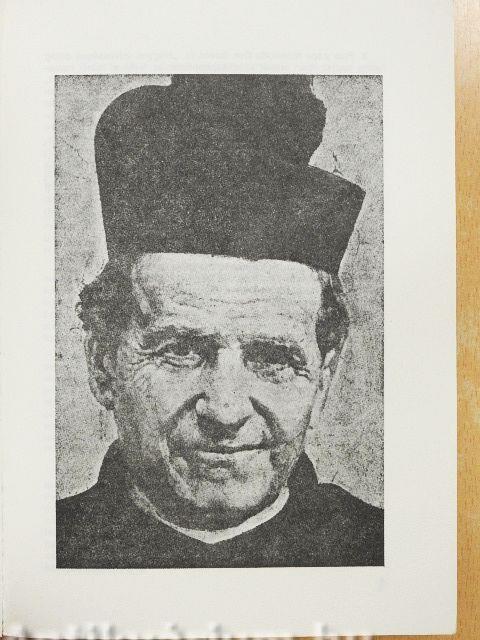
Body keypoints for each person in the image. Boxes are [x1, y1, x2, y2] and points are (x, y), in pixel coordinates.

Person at [56, 75, 383, 568]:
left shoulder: (385, 550)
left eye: (273, 359)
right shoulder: (34, 550)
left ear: (323, 380)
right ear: (103, 365)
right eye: (180, 351)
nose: (226, 412)